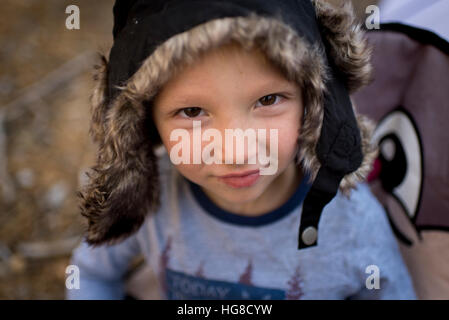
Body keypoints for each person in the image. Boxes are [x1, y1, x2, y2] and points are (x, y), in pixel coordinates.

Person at [66, 0, 416, 299]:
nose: (236, 152)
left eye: (267, 100)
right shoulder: (149, 197)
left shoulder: (354, 224)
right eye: (192, 112)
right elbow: (93, 276)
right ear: (145, 123)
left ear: (313, 102)